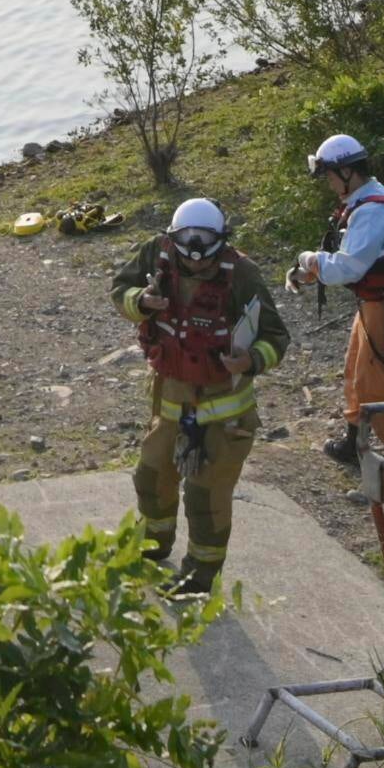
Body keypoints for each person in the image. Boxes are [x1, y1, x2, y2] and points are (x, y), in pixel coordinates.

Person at [111, 196, 289, 597]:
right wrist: (140, 302)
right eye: (187, 259)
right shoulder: (156, 254)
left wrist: (250, 361)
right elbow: (119, 288)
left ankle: (200, 576)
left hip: (225, 411)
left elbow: (277, 336)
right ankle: (154, 544)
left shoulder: (242, 274)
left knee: (204, 495)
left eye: (204, 261)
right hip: (171, 395)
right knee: (151, 475)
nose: (195, 265)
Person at [287, 134, 384, 472]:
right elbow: (357, 261)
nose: (329, 183)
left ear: (347, 171)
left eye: (330, 174)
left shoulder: (372, 211)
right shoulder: (370, 199)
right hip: (374, 304)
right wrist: (310, 273)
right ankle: (353, 442)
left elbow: (348, 267)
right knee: (355, 375)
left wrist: (310, 259)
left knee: (379, 387)